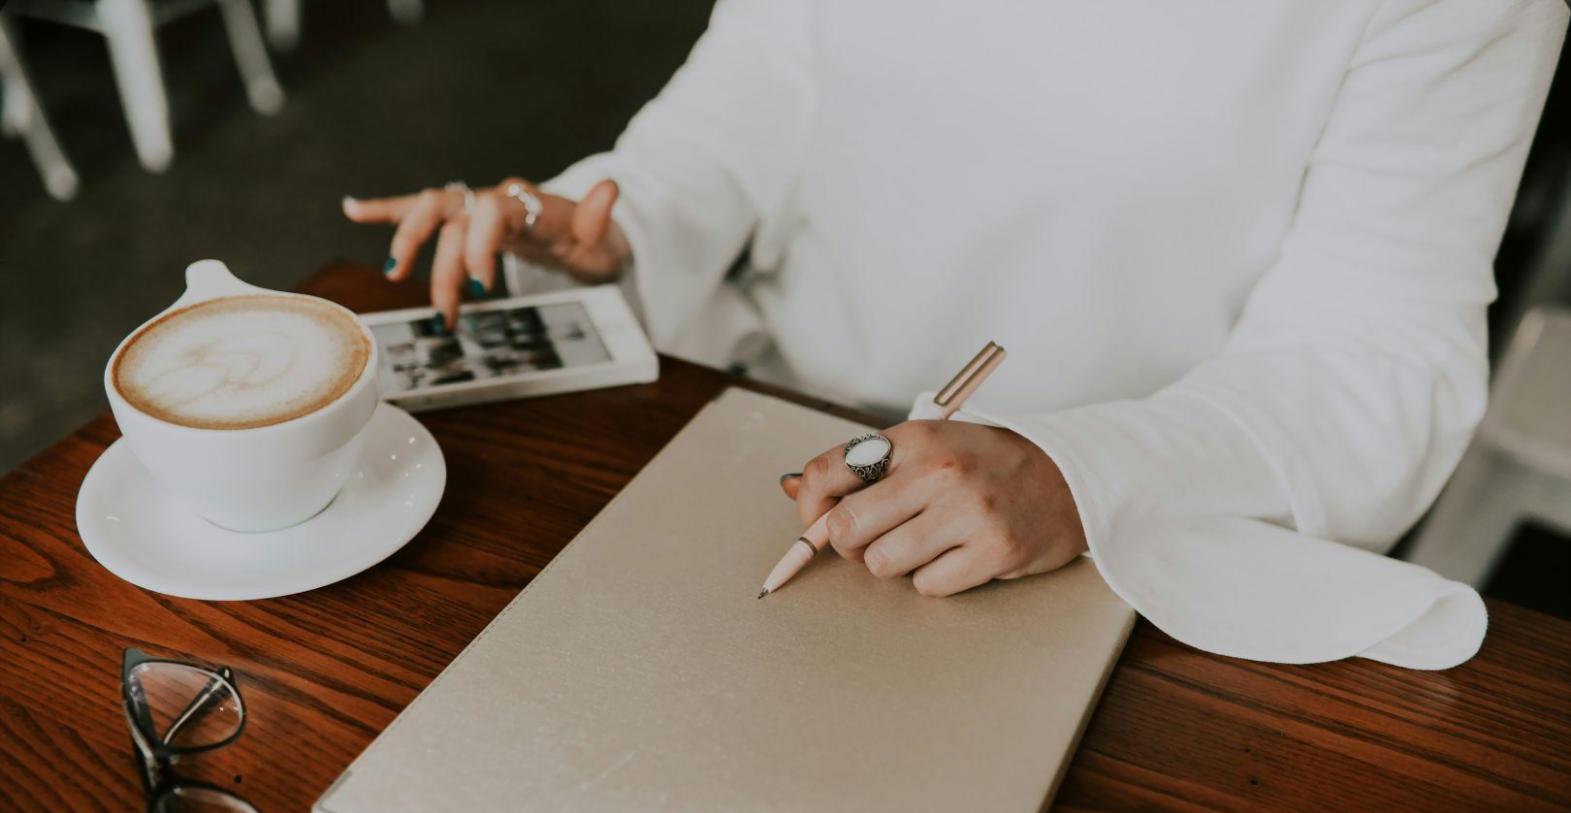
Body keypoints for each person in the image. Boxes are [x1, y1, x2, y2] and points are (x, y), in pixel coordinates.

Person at [344, 0, 1566, 667]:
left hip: (1121, 561)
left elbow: (1377, 350)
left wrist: (1081, 473)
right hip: (765, 443)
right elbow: (751, 100)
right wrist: (619, 222)